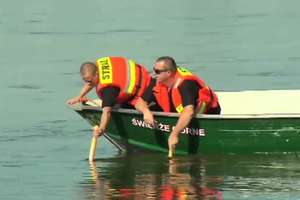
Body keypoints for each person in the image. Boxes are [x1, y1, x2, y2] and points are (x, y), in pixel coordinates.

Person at [138, 56, 221, 154]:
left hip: (205, 114)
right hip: (179, 112)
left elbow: (189, 112)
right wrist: (146, 112)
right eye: (153, 70)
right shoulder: (158, 82)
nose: (153, 74)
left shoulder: (185, 84)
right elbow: (139, 102)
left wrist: (174, 134)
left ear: (168, 73)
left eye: (157, 71)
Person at [67, 56, 153, 137]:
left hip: (148, 90)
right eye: (86, 81)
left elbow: (106, 112)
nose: (89, 84)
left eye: (90, 81)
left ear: (96, 73)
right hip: (144, 78)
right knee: (116, 104)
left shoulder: (108, 90)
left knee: (117, 106)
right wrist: (79, 97)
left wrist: (102, 129)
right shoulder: (98, 67)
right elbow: (90, 83)